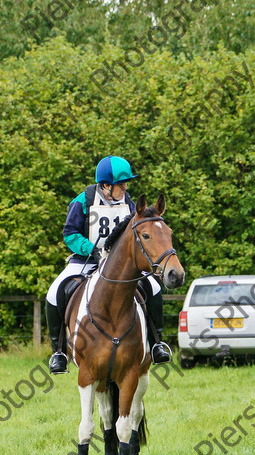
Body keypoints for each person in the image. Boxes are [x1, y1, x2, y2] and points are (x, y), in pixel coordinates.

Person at [45, 155, 171, 374]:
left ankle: (157, 342)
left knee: (155, 287)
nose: (125, 188)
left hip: (120, 262)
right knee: (54, 292)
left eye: (125, 184)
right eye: (120, 185)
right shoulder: (82, 201)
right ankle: (59, 352)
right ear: (105, 185)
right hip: (85, 260)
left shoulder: (128, 202)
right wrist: (91, 250)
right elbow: (70, 234)